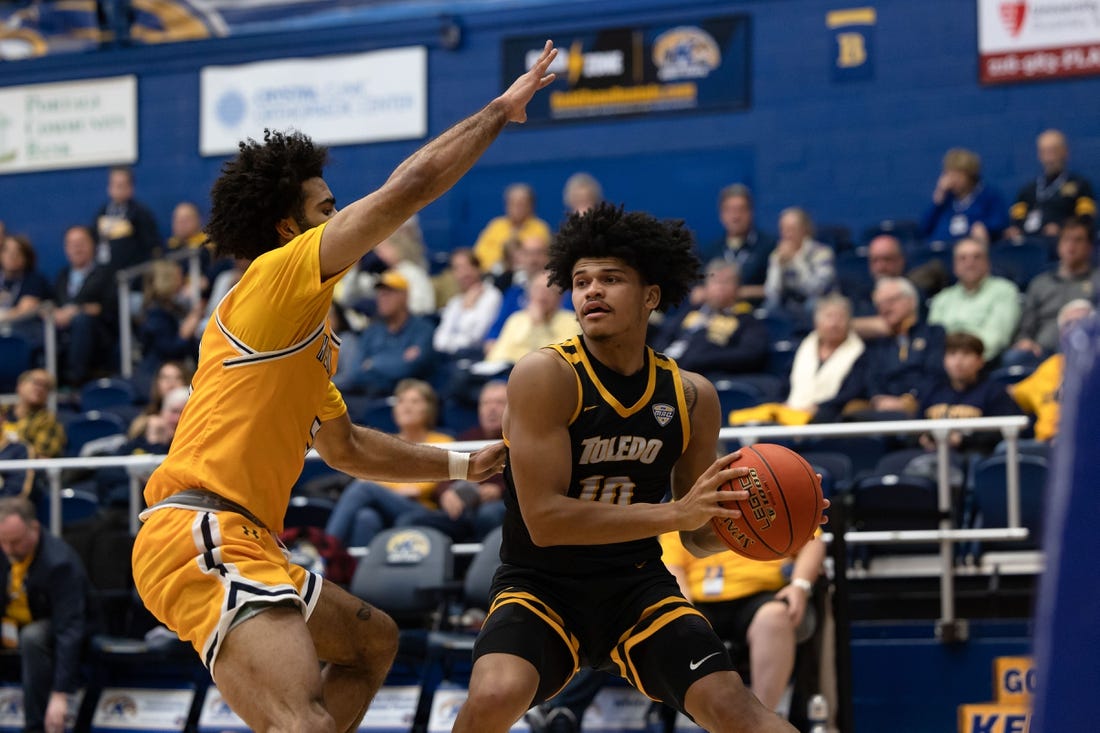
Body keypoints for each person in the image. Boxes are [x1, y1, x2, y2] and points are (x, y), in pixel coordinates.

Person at [130, 41, 556, 733]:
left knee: (370, 644)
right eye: (326, 208)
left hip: (247, 538)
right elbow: (408, 190)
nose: (342, 219)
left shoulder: (307, 338)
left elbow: (348, 447)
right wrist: (500, 111)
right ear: (288, 226)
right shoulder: (275, 277)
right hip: (199, 531)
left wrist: (458, 459)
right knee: (303, 723)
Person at [451, 202, 826, 733]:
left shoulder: (692, 395)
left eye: (610, 278)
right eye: (581, 281)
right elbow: (546, 520)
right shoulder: (545, 375)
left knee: (737, 709)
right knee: (494, 695)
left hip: (636, 587)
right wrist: (675, 512)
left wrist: (767, 528)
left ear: (651, 294)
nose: (591, 291)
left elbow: (696, 534)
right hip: (540, 585)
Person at [0, 496, 96, 733]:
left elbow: (70, 628)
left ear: (34, 528)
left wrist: (60, 693)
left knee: (33, 637)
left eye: (16, 542)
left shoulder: (60, 563)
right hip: (12, 624)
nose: (9, 549)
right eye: (3, 542)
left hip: (58, 630)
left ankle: (35, 726)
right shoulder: (4, 550)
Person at [323, 379, 455, 548]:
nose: (407, 407)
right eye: (401, 401)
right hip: (386, 507)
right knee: (366, 517)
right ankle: (359, 572)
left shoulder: (443, 441)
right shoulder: (387, 442)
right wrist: (397, 488)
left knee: (363, 489)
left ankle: (325, 550)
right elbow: (369, 477)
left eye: (414, 401)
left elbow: (423, 487)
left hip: (423, 509)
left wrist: (383, 487)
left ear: (429, 408)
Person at [814, 277, 945, 422]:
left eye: (892, 300)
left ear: (912, 301)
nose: (885, 308)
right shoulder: (877, 344)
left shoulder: (934, 334)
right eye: (880, 304)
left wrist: (909, 400)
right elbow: (868, 379)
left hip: (922, 409)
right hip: (880, 412)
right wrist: (878, 399)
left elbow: (935, 374)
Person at [730, 294, 864, 426]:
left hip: (830, 417)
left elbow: (852, 391)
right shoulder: (805, 346)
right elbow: (786, 382)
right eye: (829, 316)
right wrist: (782, 402)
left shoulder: (859, 352)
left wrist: (820, 407)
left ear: (849, 321)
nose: (834, 323)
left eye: (840, 318)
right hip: (792, 413)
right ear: (816, 321)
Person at [651, 259, 768, 381]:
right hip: (666, 369)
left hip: (703, 377)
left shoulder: (746, 319)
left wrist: (702, 359)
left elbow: (751, 354)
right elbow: (664, 336)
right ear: (706, 286)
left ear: (737, 288)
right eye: (715, 281)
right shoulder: (692, 311)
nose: (720, 287)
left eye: (726, 282)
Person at [1004, 217, 1100, 366]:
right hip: (1042, 353)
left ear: (1089, 247)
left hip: (1085, 350)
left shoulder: (1097, 280)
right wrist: (1025, 341)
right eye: (1066, 240)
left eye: (1078, 240)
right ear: (1059, 245)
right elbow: (1025, 326)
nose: (1071, 246)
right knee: (1015, 357)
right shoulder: (1040, 283)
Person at [332, 270, 437, 397]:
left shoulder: (423, 329)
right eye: (380, 294)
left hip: (411, 397)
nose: (383, 298)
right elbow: (355, 372)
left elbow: (409, 368)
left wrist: (372, 363)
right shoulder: (372, 331)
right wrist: (397, 360)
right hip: (373, 397)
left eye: (388, 293)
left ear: (404, 296)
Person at [917, 332, 1022, 455]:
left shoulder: (994, 392)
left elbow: (1003, 432)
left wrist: (963, 440)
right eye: (952, 354)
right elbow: (915, 427)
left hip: (969, 458)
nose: (958, 361)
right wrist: (921, 439)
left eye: (966, 354)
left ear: (980, 361)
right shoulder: (932, 390)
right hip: (927, 455)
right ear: (944, 360)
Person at [1011, 299, 1096, 443]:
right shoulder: (1050, 366)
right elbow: (1014, 393)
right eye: (1068, 324)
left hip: (1087, 446)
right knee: (1007, 450)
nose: (1075, 329)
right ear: (1061, 333)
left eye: (1082, 323)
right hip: (1045, 445)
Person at [926, 237, 1020, 363]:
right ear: (955, 266)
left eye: (977, 257)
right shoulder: (942, 298)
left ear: (988, 263)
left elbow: (997, 338)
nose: (970, 263)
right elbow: (934, 338)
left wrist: (965, 359)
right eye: (963, 258)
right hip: (945, 364)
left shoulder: (1004, 291)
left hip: (985, 363)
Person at [52, 225, 118, 387]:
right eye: (72, 244)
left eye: (81, 243)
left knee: (82, 321)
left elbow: (107, 308)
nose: (77, 248)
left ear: (93, 245)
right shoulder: (62, 276)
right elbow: (54, 304)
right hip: (64, 332)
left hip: (100, 335)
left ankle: (75, 380)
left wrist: (76, 311)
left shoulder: (105, 274)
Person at [1005, 130, 1096, 242]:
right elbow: (1016, 218)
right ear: (1039, 155)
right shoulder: (1027, 190)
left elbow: (1086, 219)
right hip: (1029, 243)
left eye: (1053, 151)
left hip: (1062, 243)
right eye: (1045, 152)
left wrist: (1062, 229)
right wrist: (1015, 229)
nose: (1049, 158)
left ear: (1065, 152)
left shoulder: (1080, 185)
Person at [696, 184, 775, 302]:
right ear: (721, 215)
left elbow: (776, 289)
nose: (736, 216)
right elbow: (698, 291)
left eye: (741, 210)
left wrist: (736, 292)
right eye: (730, 210)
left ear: (751, 212)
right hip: (717, 315)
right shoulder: (710, 251)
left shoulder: (769, 247)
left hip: (757, 314)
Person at [919, 148, 1008, 246]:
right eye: (949, 174)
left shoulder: (989, 195)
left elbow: (999, 223)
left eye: (958, 175)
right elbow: (924, 229)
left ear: (970, 176)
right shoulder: (944, 200)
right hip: (944, 251)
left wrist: (984, 227)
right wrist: (938, 199)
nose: (953, 180)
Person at [763, 207, 836, 327]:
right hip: (792, 302)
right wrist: (777, 266)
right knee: (769, 307)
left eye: (792, 229)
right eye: (784, 229)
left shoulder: (823, 253)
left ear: (805, 230)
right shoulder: (777, 255)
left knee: (812, 305)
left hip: (819, 301)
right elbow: (771, 293)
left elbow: (816, 289)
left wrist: (796, 260)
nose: (787, 234)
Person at [432, 248, 502, 360]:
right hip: (450, 358)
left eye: (467, 267)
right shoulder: (454, 302)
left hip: (476, 357)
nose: (463, 273)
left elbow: (474, 338)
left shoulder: (492, 296)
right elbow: (439, 341)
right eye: (457, 268)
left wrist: (469, 309)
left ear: (478, 269)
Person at [91, 166, 161, 272]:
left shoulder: (140, 214)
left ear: (131, 188)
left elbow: (150, 246)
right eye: (115, 184)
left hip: (131, 274)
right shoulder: (102, 212)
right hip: (105, 272)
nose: (118, 189)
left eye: (122, 185)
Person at [474, 183, 552, 276]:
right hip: (493, 274)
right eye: (512, 203)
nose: (517, 208)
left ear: (531, 206)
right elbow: (479, 255)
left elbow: (541, 258)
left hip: (528, 275)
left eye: (521, 204)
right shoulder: (496, 225)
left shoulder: (540, 227)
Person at [1, 370, 65, 459]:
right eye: (36, 382)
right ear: (20, 385)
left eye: (46, 386)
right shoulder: (2, 412)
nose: (40, 388)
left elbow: (42, 458)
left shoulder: (49, 422)